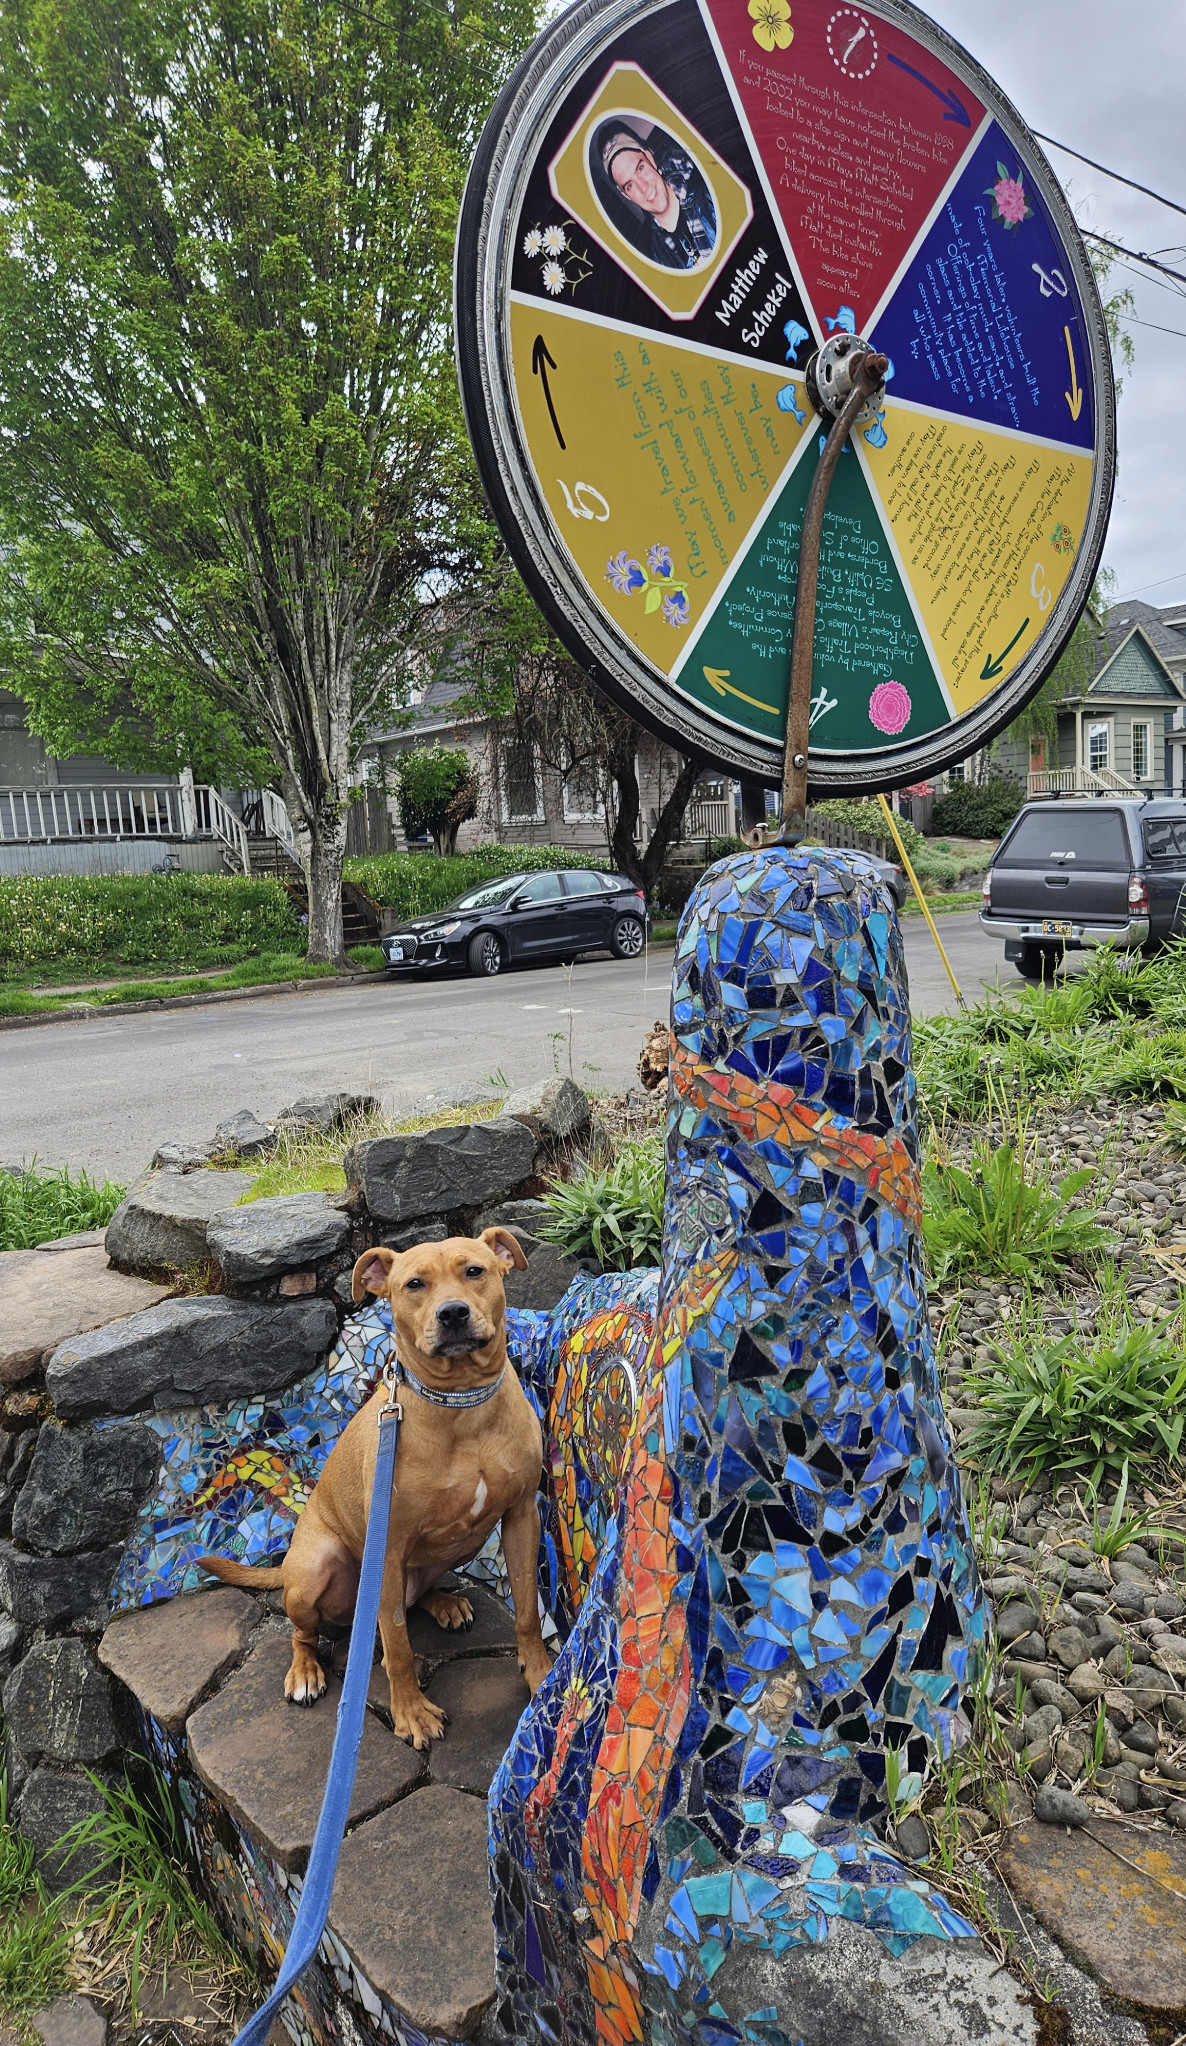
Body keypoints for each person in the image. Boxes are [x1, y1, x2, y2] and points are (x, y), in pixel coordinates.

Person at [595, 121, 717, 271]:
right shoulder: (654, 256)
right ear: (626, 195)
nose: (643, 186)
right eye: (630, 185)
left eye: (640, 168)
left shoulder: (708, 185)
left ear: (650, 158)